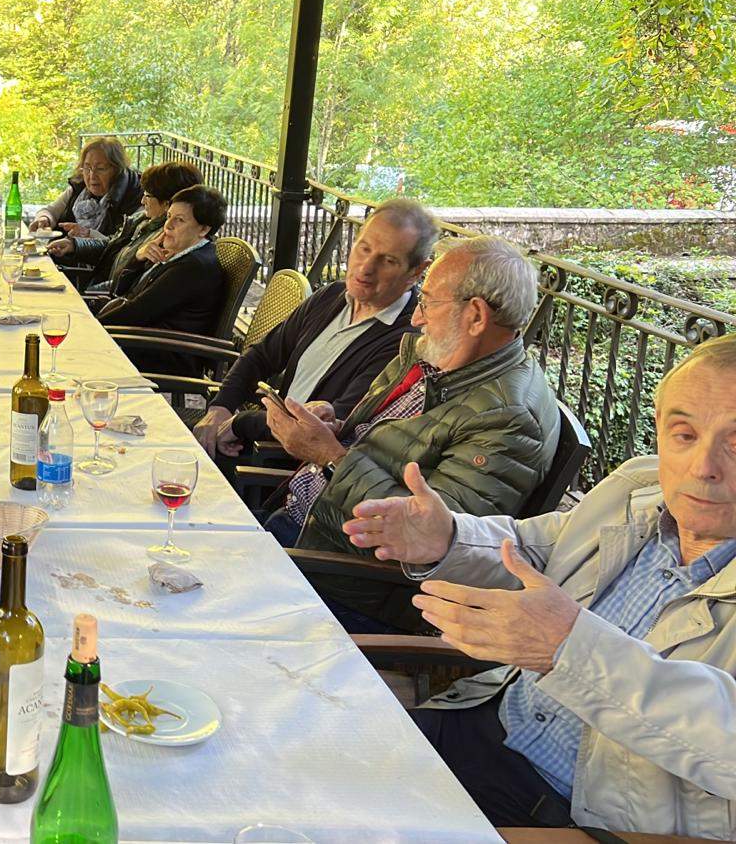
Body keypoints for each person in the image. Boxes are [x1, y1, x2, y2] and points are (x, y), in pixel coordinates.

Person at [341, 334, 736, 836]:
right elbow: (537, 549)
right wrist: (449, 538)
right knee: (289, 765)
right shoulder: (638, 487)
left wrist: (571, 648)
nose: (703, 468)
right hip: (483, 720)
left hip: (581, 816)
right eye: (684, 434)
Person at [265, 235, 561, 632]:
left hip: (345, 584)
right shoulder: (438, 360)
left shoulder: (508, 417)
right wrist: (336, 426)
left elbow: (430, 538)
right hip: (304, 529)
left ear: (475, 316)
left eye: (427, 302)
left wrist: (330, 455)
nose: (417, 317)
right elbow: (384, 443)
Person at [193, 199, 435, 460]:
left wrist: (241, 424)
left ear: (416, 271)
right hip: (255, 441)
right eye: (363, 248)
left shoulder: (407, 340)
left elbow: (333, 424)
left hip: (285, 470)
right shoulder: (333, 296)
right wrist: (221, 406)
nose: (365, 268)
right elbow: (262, 355)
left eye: (387, 260)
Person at [50, 160, 201, 296]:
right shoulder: (142, 220)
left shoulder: (167, 239)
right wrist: (75, 245)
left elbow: (129, 288)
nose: (142, 201)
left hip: (107, 298)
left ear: (168, 203)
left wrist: (85, 296)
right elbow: (112, 246)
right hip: (102, 291)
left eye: (147, 195)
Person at [96, 184, 229, 338]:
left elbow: (138, 312)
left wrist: (89, 327)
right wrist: (138, 258)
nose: (168, 225)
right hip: (134, 338)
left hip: (155, 350)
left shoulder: (194, 266)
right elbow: (118, 290)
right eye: (168, 216)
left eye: (179, 220)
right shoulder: (174, 252)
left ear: (203, 229)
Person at [30, 136, 144, 244]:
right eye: (87, 167)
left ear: (117, 170)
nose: (92, 175)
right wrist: (44, 219)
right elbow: (50, 211)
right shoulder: (78, 188)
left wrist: (88, 235)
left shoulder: (135, 198)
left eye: (100, 169)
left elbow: (124, 246)